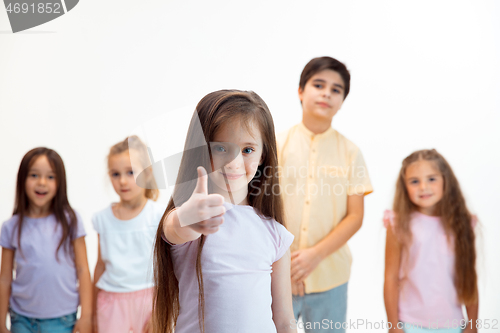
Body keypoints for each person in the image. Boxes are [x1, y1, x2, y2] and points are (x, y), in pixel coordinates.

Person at [153, 90, 296, 333]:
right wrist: (189, 217)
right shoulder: (190, 218)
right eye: (221, 148)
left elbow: (284, 321)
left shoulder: (275, 234)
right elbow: (175, 228)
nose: (234, 162)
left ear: (264, 155)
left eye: (248, 150)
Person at [277, 56, 373, 332]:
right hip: (276, 274)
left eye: (336, 89)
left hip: (331, 276)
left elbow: (355, 217)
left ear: (342, 100)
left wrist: (314, 256)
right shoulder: (275, 144)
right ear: (300, 90)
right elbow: (260, 207)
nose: (326, 94)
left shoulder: (351, 152)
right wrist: (286, 263)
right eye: (318, 84)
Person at [383, 149, 479, 333]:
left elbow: (469, 277)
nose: (423, 187)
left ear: (446, 181)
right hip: (410, 324)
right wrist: (393, 326)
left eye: (431, 179)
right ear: (405, 186)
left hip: (453, 324)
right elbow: (390, 278)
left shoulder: (462, 224)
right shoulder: (398, 224)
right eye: (414, 181)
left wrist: (473, 325)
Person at [0, 148, 92, 333]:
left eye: (50, 177)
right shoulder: (11, 226)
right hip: (22, 319)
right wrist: (1, 323)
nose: (42, 182)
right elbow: (5, 278)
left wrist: (86, 317)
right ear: (22, 180)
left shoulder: (70, 220)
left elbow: (83, 270)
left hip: (62, 320)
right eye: (34, 175)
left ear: (60, 183)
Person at [92, 135, 164, 333]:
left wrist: (161, 311)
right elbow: (100, 265)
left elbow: (168, 266)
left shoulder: (157, 216)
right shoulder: (102, 219)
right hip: (112, 301)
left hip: (151, 300)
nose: (122, 181)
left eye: (131, 172)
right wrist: (90, 314)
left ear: (148, 174)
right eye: (115, 174)